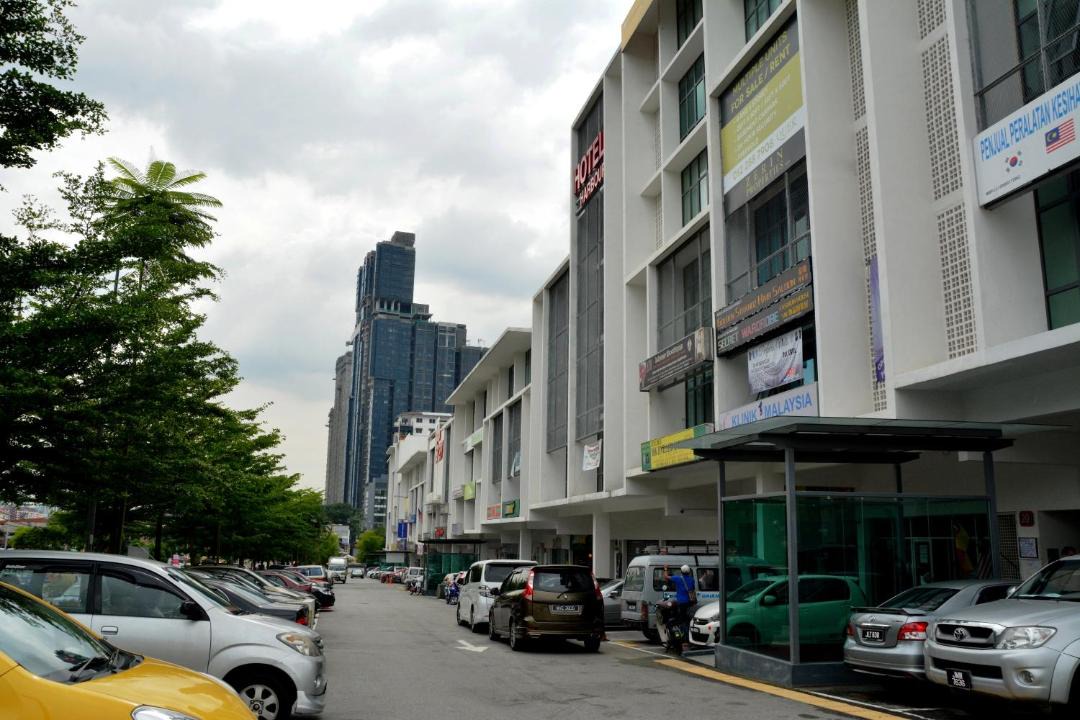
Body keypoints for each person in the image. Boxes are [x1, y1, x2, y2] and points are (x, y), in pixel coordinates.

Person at [664, 564, 697, 647]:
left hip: (681, 603)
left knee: (681, 620)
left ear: (681, 572)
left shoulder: (678, 578)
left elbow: (666, 577)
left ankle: (683, 639)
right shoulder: (692, 579)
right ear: (689, 572)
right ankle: (689, 637)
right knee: (688, 620)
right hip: (689, 603)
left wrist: (665, 568)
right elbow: (692, 589)